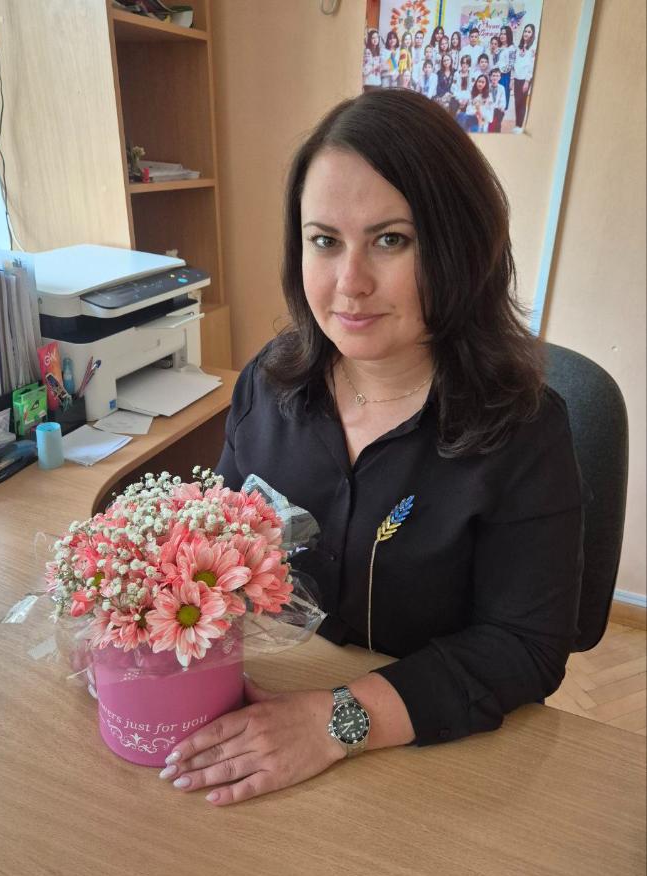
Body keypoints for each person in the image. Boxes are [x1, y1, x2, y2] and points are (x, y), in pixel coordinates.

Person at [158, 90, 583, 806]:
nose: (349, 285)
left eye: (391, 240)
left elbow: (523, 645)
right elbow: (217, 543)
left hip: (432, 759)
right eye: (325, 241)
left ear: (458, 245)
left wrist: (335, 722)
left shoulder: (525, 430)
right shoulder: (268, 383)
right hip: (263, 717)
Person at [512, 23, 536, 132]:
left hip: (524, 80)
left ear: (532, 34)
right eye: (525, 31)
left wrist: (527, 81)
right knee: (516, 101)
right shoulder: (519, 47)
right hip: (517, 78)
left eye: (529, 32)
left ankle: (519, 126)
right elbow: (515, 63)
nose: (526, 33)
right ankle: (517, 125)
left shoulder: (532, 49)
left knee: (522, 102)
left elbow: (531, 66)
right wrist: (513, 79)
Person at [497, 25, 516, 110]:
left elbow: (512, 65)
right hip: (495, 76)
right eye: (501, 34)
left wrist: (511, 80)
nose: (502, 36)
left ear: (508, 35)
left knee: (502, 100)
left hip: (505, 76)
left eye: (504, 34)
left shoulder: (511, 49)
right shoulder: (498, 47)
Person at [453, 53, 473, 129]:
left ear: (469, 64)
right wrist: (459, 100)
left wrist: (466, 100)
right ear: (461, 64)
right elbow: (454, 88)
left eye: (467, 63)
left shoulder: (472, 74)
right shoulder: (456, 74)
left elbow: (472, 89)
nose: (465, 65)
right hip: (458, 97)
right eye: (463, 63)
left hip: (468, 98)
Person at [488, 67, 506, 132]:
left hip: (497, 110)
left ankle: (497, 131)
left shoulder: (502, 88)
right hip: (488, 109)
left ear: (500, 77)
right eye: (493, 76)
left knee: (501, 112)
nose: (495, 78)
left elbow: (503, 101)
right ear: (490, 77)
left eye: (497, 76)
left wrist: (501, 107)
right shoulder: (487, 87)